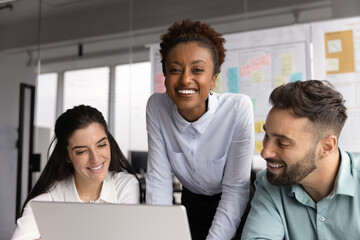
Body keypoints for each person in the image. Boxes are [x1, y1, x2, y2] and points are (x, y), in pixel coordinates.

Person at [146, 19, 255, 240]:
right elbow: (159, 181)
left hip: (236, 207)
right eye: (175, 70)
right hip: (191, 205)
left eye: (197, 70)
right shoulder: (157, 108)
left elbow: (235, 189)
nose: (185, 79)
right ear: (165, 78)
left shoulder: (237, 109)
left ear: (213, 79)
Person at [241, 80, 360, 239]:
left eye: (283, 143)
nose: (265, 152)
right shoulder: (270, 183)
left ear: (326, 147)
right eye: (267, 136)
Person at [12, 105, 140, 240]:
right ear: (67, 156)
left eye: (101, 145)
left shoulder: (125, 186)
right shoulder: (48, 199)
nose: (95, 159)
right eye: (82, 151)